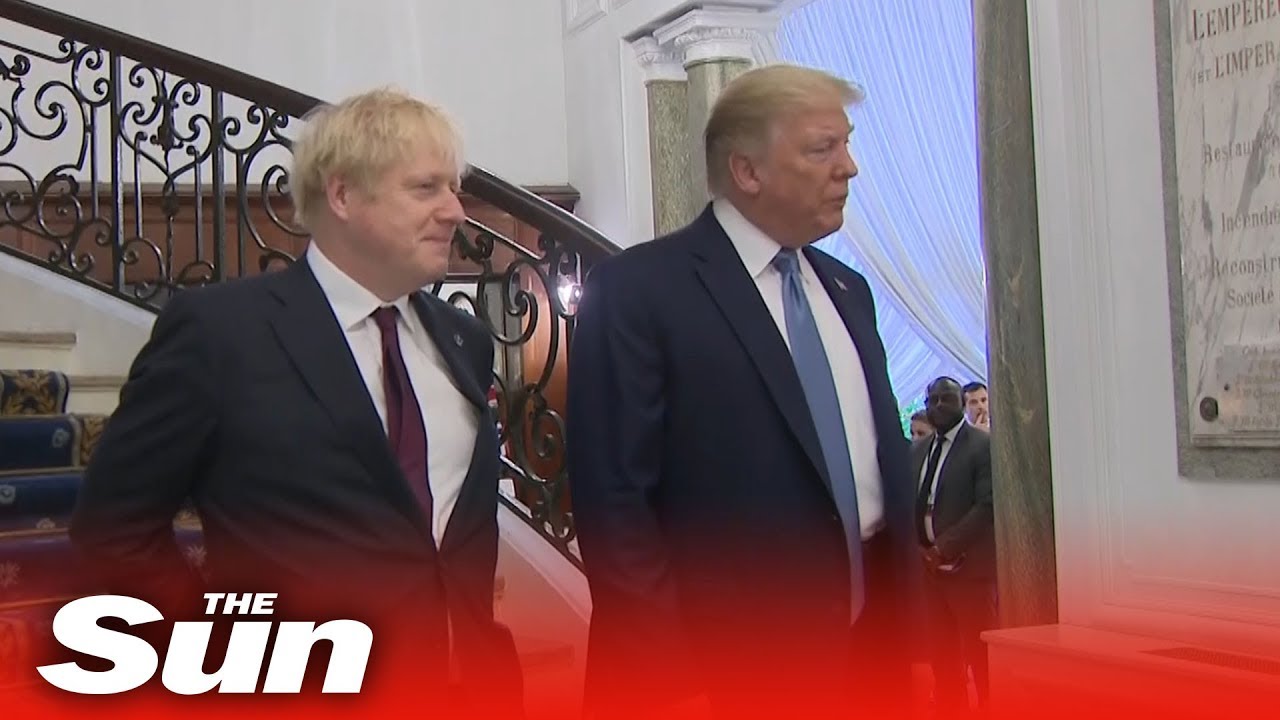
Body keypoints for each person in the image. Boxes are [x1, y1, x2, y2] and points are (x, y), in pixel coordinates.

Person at [70, 88, 522, 714]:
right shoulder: (221, 333)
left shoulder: (464, 339)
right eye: (425, 189)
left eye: (454, 188)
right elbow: (112, 530)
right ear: (342, 196)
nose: (455, 211)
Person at [567, 64, 919, 719]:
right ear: (747, 171)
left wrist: (913, 648)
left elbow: (881, 469)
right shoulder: (641, 291)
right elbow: (615, 509)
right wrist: (673, 686)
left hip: (869, 658)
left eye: (846, 144)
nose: (849, 168)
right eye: (823, 148)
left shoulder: (848, 291)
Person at [913, 376, 996, 715]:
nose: (938, 406)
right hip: (930, 574)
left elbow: (987, 505)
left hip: (970, 572)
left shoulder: (981, 445)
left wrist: (943, 548)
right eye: (932, 400)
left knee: (982, 659)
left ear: (961, 402)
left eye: (946, 399)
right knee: (942, 657)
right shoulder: (919, 450)